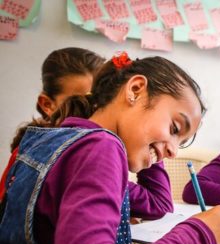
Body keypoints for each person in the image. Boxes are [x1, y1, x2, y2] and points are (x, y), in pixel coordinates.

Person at [0, 52, 220, 244]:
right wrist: (200, 235)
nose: (174, 151)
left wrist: (155, 145)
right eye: (175, 129)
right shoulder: (100, 148)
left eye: (182, 142)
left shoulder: (55, 140)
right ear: (135, 89)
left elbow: (157, 204)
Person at [1, 47, 174, 220]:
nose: (94, 108)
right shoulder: (85, 161)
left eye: (104, 97)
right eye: (83, 100)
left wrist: (148, 136)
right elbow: (159, 204)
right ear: (47, 104)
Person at [0, 47, 105, 202]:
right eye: (81, 104)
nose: (94, 113)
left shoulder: (104, 146)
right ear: (47, 104)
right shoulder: (29, 156)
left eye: (101, 102)